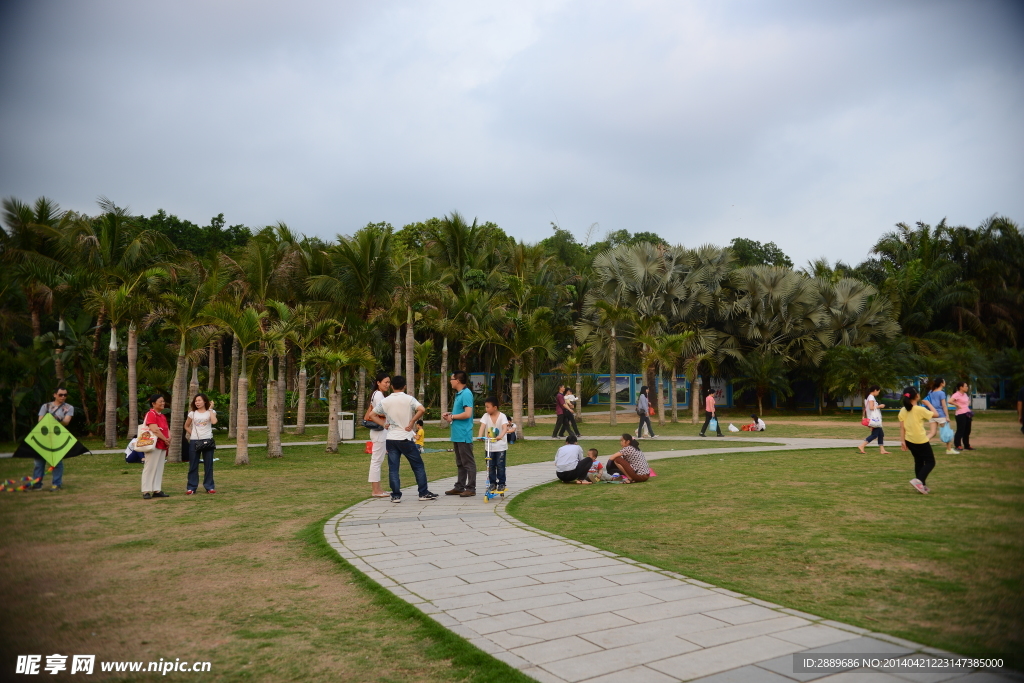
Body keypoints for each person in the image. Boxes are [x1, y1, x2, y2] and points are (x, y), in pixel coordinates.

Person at [371, 375, 438, 503]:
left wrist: (383, 424)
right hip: (405, 438)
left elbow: (372, 414)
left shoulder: (386, 400)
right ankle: (423, 492)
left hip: (391, 438)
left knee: (393, 468)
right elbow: (421, 409)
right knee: (418, 465)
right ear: (404, 386)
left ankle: (396, 495)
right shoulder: (409, 399)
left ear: (392, 386)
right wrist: (412, 421)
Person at [32, 386, 75, 490]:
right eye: (60, 395)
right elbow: (40, 421)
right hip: (43, 438)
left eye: (65, 395)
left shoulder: (69, 408)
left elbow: (66, 422)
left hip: (57, 438)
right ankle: (36, 485)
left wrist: (57, 418)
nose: (63, 397)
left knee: (56, 462)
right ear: (55, 395)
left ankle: (56, 484)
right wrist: (49, 418)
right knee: (38, 462)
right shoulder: (46, 406)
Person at [442, 371, 477, 497]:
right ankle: (459, 486)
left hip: (464, 434)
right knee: (460, 462)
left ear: (457, 380)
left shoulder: (466, 394)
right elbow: (460, 412)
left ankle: (471, 488)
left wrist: (452, 416)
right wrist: (450, 414)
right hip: (457, 434)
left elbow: (467, 414)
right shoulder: (459, 394)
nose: (450, 381)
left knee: (468, 462)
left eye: (451, 379)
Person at [899, 386, 938, 494]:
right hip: (920, 440)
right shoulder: (920, 409)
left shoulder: (903, 410)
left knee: (919, 461)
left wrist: (902, 441)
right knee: (930, 462)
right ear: (916, 396)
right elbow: (936, 414)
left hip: (909, 440)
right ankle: (919, 481)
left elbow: (902, 427)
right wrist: (929, 404)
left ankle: (922, 486)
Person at [183, 393, 217, 494]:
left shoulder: (211, 412)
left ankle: (209, 487)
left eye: (199, 400)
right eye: (196, 401)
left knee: (208, 465)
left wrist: (210, 409)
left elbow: (214, 421)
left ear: (205, 401)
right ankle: (191, 487)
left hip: (208, 440)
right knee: (193, 465)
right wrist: (192, 434)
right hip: (194, 441)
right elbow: (186, 426)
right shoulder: (192, 413)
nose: (197, 402)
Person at [364, 373, 391, 498]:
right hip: (379, 431)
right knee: (376, 461)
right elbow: (382, 412)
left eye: (389, 382)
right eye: (385, 382)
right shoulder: (379, 395)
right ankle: (376, 490)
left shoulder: (376, 394)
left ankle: (378, 488)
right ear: (378, 382)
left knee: (377, 460)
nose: (387, 384)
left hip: (379, 431)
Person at [142, 393, 170, 500]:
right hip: (154, 444)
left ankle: (156, 489)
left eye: (163, 401)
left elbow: (167, 429)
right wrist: (165, 439)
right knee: (150, 467)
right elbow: (155, 429)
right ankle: (146, 490)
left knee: (159, 467)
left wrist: (168, 439)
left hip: (162, 444)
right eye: (160, 402)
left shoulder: (162, 415)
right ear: (153, 404)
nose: (163, 403)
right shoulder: (151, 414)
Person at [478, 396, 510, 492]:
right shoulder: (485, 416)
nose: (486, 409)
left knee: (500, 465)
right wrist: (479, 436)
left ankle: (501, 483)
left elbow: (505, 428)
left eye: (488, 407)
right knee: (490, 465)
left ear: (495, 407)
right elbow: (482, 426)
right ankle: (492, 483)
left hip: (500, 446)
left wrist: (501, 436)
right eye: (485, 407)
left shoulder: (502, 416)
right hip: (489, 446)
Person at [922, 378, 957, 454]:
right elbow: (944, 406)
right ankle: (949, 450)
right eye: (944, 381)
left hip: (932, 414)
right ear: (941, 383)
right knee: (947, 432)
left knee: (932, 433)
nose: (945, 382)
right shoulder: (941, 393)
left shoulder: (931, 392)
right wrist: (947, 416)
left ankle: (921, 444)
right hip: (941, 415)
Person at [858, 385, 890, 455]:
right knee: (875, 435)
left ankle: (882, 449)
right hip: (874, 419)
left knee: (880, 434)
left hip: (873, 418)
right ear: (875, 390)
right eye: (878, 391)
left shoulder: (868, 397)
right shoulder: (871, 397)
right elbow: (871, 407)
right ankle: (862, 445)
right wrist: (880, 406)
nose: (878, 393)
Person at [949, 381, 974, 451]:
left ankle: (967, 445)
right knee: (960, 430)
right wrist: (957, 405)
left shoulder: (965, 394)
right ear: (961, 387)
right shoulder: (956, 394)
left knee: (967, 430)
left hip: (967, 413)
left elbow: (967, 401)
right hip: (960, 414)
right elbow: (950, 401)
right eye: (965, 386)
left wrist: (967, 405)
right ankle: (958, 445)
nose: (967, 387)